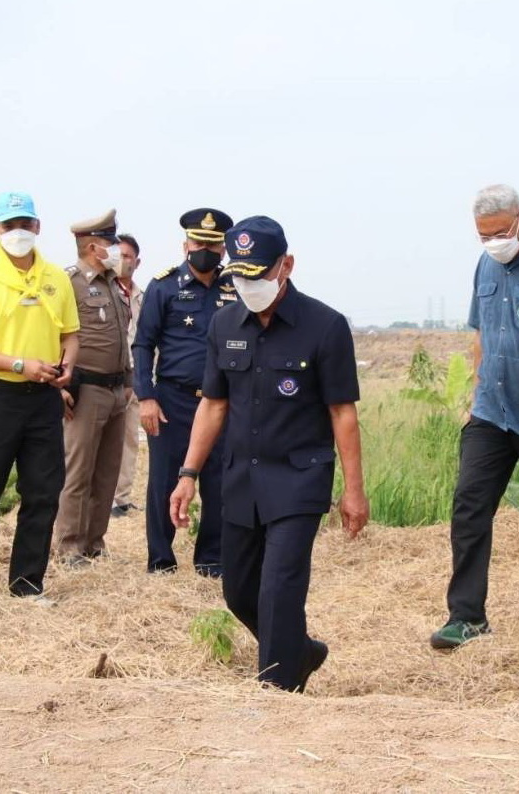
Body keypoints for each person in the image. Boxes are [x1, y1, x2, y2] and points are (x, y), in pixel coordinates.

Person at [170, 215, 369, 692]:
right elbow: (214, 405)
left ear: (286, 265)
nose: (248, 285)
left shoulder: (325, 326)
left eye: (258, 274)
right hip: (241, 479)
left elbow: (343, 414)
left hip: (300, 479)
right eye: (239, 275)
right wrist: (188, 473)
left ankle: (277, 692)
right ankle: (299, 651)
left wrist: (354, 491)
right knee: (238, 590)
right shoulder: (224, 323)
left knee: (280, 587)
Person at [429, 184, 519, 651]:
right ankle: (466, 616)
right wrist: (474, 392)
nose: (493, 243)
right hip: (490, 411)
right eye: (483, 235)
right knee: (469, 507)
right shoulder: (486, 262)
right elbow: (482, 331)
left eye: (501, 232)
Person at [0, 191, 80, 603]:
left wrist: (68, 367)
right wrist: (19, 364)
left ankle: (27, 584)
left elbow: (70, 334)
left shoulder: (56, 277)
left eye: (25, 224)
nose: (18, 232)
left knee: (43, 490)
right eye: (9, 226)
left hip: (43, 397)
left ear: (38, 227)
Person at [132, 208, 236, 575]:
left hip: (222, 401)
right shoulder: (164, 287)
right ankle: (161, 561)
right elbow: (143, 345)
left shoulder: (235, 286)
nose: (205, 249)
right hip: (171, 401)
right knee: (164, 481)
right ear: (185, 245)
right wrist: (146, 396)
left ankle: (211, 559)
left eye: (213, 244)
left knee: (219, 480)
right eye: (199, 242)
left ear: (224, 248)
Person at [52, 210, 133, 565]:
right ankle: (69, 546)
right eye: (111, 243)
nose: (116, 249)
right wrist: (60, 387)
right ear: (92, 246)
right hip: (86, 391)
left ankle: (94, 543)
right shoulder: (69, 283)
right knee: (78, 473)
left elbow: (121, 338)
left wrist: (129, 382)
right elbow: (54, 336)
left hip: (117, 390)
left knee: (107, 474)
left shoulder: (113, 284)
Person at [112, 233, 145, 517]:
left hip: (133, 378)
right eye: (119, 256)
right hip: (104, 378)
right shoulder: (100, 292)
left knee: (129, 440)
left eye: (128, 257)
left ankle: (120, 499)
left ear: (137, 261)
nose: (124, 262)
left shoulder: (142, 297)